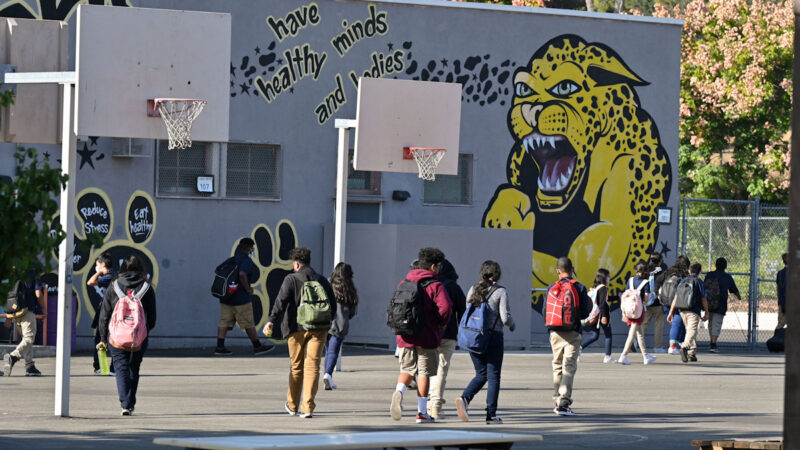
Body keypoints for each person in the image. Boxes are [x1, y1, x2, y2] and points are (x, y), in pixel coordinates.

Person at [265, 247, 336, 419]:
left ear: (296, 264)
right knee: (313, 367)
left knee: (296, 367)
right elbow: (333, 305)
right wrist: (326, 322)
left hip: (295, 328)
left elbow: (280, 301)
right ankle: (308, 408)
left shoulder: (291, 279)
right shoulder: (321, 280)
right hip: (319, 329)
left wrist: (271, 321)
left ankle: (292, 405)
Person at [390, 247, 453, 424]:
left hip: (405, 336)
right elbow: (446, 308)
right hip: (426, 337)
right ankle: (421, 412)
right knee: (424, 373)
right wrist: (440, 323)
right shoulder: (435, 285)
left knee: (407, 370)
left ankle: (399, 391)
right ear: (433, 267)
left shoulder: (404, 282)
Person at [455, 260, 515, 424]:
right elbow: (505, 317)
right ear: (497, 274)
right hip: (493, 338)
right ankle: (491, 415)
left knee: (481, 374)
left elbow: (468, 310)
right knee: (494, 376)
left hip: (474, 337)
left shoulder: (473, 289)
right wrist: (512, 325)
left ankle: (465, 398)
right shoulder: (501, 291)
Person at [97, 255, 157, 415]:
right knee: (134, 368)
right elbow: (152, 317)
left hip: (116, 336)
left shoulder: (114, 285)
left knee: (121, 367)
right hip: (139, 335)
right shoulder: (146, 287)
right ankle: (130, 403)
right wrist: (145, 331)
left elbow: (104, 314)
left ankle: (125, 403)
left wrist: (103, 337)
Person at [546, 257, 591, 416]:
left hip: (555, 332)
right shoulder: (579, 287)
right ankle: (563, 403)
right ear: (572, 269)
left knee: (557, 365)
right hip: (573, 331)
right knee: (569, 367)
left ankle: (557, 398)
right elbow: (585, 313)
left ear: (558, 271)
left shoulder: (551, 287)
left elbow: (546, 312)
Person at [215, 238, 274, 356]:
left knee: (224, 322)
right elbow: (242, 274)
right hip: (241, 298)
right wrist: (248, 289)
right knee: (248, 323)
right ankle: (257, 346)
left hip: (227, 297)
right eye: (252, 248)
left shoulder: (231, 260)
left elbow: (217, 270)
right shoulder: (246, 260)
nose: (253, 250)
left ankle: (220, 347)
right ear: (249, 248)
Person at [428, 259, 466, 420]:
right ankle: (435, 406)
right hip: (448, 333)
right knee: (441, 371)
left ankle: (427, 405)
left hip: (429, 333)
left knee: (428, 370)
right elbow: (463, 310)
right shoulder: (453, 287)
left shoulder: (430, 284)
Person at [2, 272, 46, 377]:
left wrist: (9, 316)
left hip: (15, 311)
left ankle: (29, 366)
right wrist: (44, 308)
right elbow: (38, 293)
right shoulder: (33, 274)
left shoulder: (15, 274)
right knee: (29, 338)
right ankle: (13, 356)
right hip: (28, 311)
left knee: (26, 340)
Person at [323, 262, 358, 391]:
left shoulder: (327, 283)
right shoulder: (349, 288)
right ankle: (328, 375)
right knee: (333, 351)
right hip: (340, 324)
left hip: (325, 322)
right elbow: (353, 310)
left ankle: (327, 374)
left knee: (328, 351)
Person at [668, 262, 709, 363]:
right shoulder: (698, 282)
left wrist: (671, 312)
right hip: (693, 310)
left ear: (689, 271)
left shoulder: (682, 281)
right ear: (699, 272)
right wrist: (707, 312)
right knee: (692, 330)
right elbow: (704, 298)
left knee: (690, 330)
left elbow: (676, 298)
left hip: (682, 310)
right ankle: (685, 347)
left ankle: (692, 353)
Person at [617, 261, 657, 365]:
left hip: (629, 309)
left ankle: (645, 356)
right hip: (638, 311)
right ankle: (623, 355)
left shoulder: (630, 280)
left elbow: (626, 293)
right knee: (632, 333)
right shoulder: (645, 282)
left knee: (640, 333)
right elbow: (646, 298)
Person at [88, 252, 117, 374]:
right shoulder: (116, 274)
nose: (96, 267)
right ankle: (109, 367)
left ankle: (100, 367)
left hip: (107, 312)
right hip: (113, 311)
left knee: (100, 338)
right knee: (113, 338)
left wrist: (99, 271)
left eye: (97, 265)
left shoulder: (108, 276)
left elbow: (90, 282)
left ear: (103, 264)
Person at [704, 257, 740, 352]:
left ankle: (712, 341)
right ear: (726, 266)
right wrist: (739, 297)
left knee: (711, 323)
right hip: (720, 304)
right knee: (717, 323)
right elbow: (734, 290)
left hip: (708, 303)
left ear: (715, 265)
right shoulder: (727, 277)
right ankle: (713, 344)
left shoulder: (709, 275)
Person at [580, 268, 615, 363]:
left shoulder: (596, 287)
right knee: (608, 335)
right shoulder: (603, 288)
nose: (609, 278)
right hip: (601, 315)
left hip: (594, 315)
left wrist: (617, 297)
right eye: (608, 276)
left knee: (595, 335)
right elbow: (602, 303)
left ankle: (579, 348)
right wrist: (604, 316)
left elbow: (604, 300)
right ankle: (607, 357)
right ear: (604, 277)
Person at [664, 256, 690, 354]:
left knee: (677, 324)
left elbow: (660, 283)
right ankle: (673, 346)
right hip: (678, 301)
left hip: (666, 301)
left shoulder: (669, 272)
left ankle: (678, 343)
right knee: (677, 323)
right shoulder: (684, 275)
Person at [641, 254, 667, 353]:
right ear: (660, 261)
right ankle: (657, 346)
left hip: (646, 301)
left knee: (644, 324)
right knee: (658, 325)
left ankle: (635, 341)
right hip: (658, 302)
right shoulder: (662, 272)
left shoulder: (646, 271)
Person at [776, 252, 788, 330]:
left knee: (780, 324)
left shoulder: (780, 273)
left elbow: (778, 288)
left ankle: (776, 339)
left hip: (782, 301)